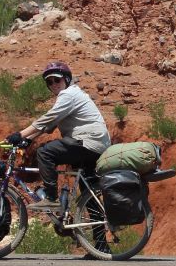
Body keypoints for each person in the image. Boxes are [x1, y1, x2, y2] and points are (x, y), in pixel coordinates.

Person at [7, 61, 110, 209]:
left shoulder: (68, 94)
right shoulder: (71, 95)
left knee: (45, 152)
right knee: (88, 191)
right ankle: (96, 222)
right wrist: (28, 139)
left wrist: (20, 134)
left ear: (66, 79)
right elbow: (48, 126)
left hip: (88, 142)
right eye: (49, 82)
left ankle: (51, 197)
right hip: (95, 144)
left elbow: (49, 118)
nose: (53, 84)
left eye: (57, 79)